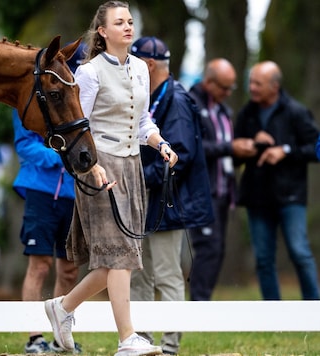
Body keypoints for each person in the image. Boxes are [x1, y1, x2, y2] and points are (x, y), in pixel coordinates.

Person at [43, 2, 177, 356]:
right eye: (120, 22)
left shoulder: (140, 69)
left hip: (132, 167)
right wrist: (91, 167)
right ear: (102, 31)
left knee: (122, 257)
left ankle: (63, 307)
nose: (128, 27)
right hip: (99, 168)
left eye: (130, 21)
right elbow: (77, 126)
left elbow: (143, 120)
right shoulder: (88, 72)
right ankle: (127, 338)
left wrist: (160, 142)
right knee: (118, 257)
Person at [129, 36, 213, 356]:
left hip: (167, 203)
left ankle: (169, 347)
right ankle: (140, 342)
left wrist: (137, 180)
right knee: (140, 275)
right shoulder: (152, 97)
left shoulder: (175, 100)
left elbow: (181, 156)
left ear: (148, 65)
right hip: (149, 202)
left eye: (133, 65)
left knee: (167, 276)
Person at [13, 42, 87, 354]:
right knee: (39, 265)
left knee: (69, 268)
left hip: (74, 194)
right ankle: (34, 337)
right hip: (41, 192)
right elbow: (24, 146)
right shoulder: (33, 99)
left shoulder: (78, 101)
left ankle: (60, 338)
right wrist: (60, 156)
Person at [235, 60, 320, 300]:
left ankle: (314, 309)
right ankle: (274, 314)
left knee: (299, 252)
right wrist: (249, 144)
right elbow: (234, 149)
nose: (252, 87)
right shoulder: (247, 113)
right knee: (263, 258)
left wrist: (285, 150)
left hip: (290, 196)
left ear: (275, 86)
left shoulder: (296, 112)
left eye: (258, 84)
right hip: (257, 196)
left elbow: (315, 149)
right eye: (250, 82)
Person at [187, 58, 256, 301]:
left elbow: (227, 149)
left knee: (218, 250)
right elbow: (192, 147)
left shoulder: (224, 110)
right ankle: (198, 305)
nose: (227, 93)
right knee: (207, 249)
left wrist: (245, 149)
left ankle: (203, 304)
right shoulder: (191, 104)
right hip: (202, 191)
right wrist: (230, 148)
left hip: (224, 190)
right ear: (208, 81)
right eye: (224, 87)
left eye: (231, 88)